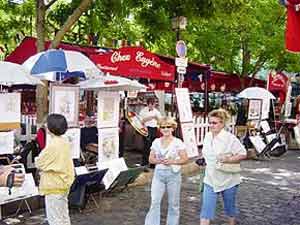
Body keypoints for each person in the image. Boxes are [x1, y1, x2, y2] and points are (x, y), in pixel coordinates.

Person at [199, 109, 247, 225]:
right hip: (210, 179)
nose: (211, 125)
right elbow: (207, 154)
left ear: (222, 123)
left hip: (228, 179)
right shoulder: (207, 136)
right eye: (210, 122)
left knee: (230, 208)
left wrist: (228, 159)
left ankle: (232, 223)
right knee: (206, 210)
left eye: (214, 123)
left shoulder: (229, 138)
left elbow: (243, 153)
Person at [144, 116, 188, 225]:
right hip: (159, 175)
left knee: (173, 203)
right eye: (163, 127)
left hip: (173, 175)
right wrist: (159, 160)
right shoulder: (156, 142)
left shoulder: (178, 142)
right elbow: (150, 159)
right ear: (160, 128)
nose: (165, 129)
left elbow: (185, 159)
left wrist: (172, 161)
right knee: (154, 202)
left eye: (168, 126)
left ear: (173, 128)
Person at [35, 114, 75, 225]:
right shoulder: (64, 141)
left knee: (55, 219)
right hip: (63, 183)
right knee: (63, 216)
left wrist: (37, 159)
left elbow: (39, 162)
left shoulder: (52, 145)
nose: (45, 126)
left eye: (47, 124)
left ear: (52, 127)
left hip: (53, 185)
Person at [139, 98, 162, 167]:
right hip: (146, 129)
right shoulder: (143, 111)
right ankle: (144, 163)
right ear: (148, 104)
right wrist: (151, 117)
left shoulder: (157, 112)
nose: (152, 106)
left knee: (154, 147)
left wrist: (157, 118)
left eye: (153, 104)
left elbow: (160, 121)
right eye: (150, 104)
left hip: (154, 129)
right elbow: (141, 121)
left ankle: (153, 164)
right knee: (146, 146)